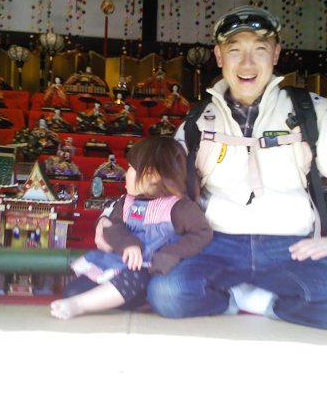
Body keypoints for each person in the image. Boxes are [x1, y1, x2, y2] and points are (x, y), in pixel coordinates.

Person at [96, 6, 327, 331]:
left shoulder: (309, 112)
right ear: (219, 56)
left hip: (290, 245)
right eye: (235, 51)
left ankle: (262, 302)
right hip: (213, 241)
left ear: (275, 54)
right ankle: (236, 297)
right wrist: (109, 216)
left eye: (259, 50)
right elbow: (155, 177)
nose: (247, 63)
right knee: (168, 294)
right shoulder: (199, 120)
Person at [50, 136, 213, 320]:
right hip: (118, 263)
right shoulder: (126, 202)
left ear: (152, 175)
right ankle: (107, 299)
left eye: (130, 168)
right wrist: (127, 243)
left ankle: (81, 305)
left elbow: (202, 233)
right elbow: (111, 226)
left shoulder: (179, 207)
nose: (125, 173)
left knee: (133, 279)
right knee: (73, 291)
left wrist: (171, 253)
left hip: (150, 270)